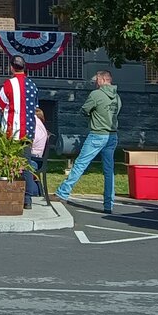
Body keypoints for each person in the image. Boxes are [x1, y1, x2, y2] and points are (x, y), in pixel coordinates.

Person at [54, 70, 122, 214]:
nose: (95, 82)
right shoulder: (117, 97)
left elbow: (84, 110)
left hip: (97, 134)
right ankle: (108, 204)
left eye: (97, 79)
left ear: (103, 79)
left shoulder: (96, 94)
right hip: (112, 136)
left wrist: (92, 115)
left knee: (80, 164)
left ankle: (63, 193)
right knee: (109, 171)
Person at [0, 55, 39, 144]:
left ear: (12, 68)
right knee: (26, 157)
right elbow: (36, 107)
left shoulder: (8, 84)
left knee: (10, 158)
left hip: (11, 132)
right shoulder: (32, 85)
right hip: (28, 131)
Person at [24, 106, 50, 209]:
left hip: (34, 160)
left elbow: (30, 143)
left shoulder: (35, 126)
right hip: (36, 158)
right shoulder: (41, 126)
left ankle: (30, 194)